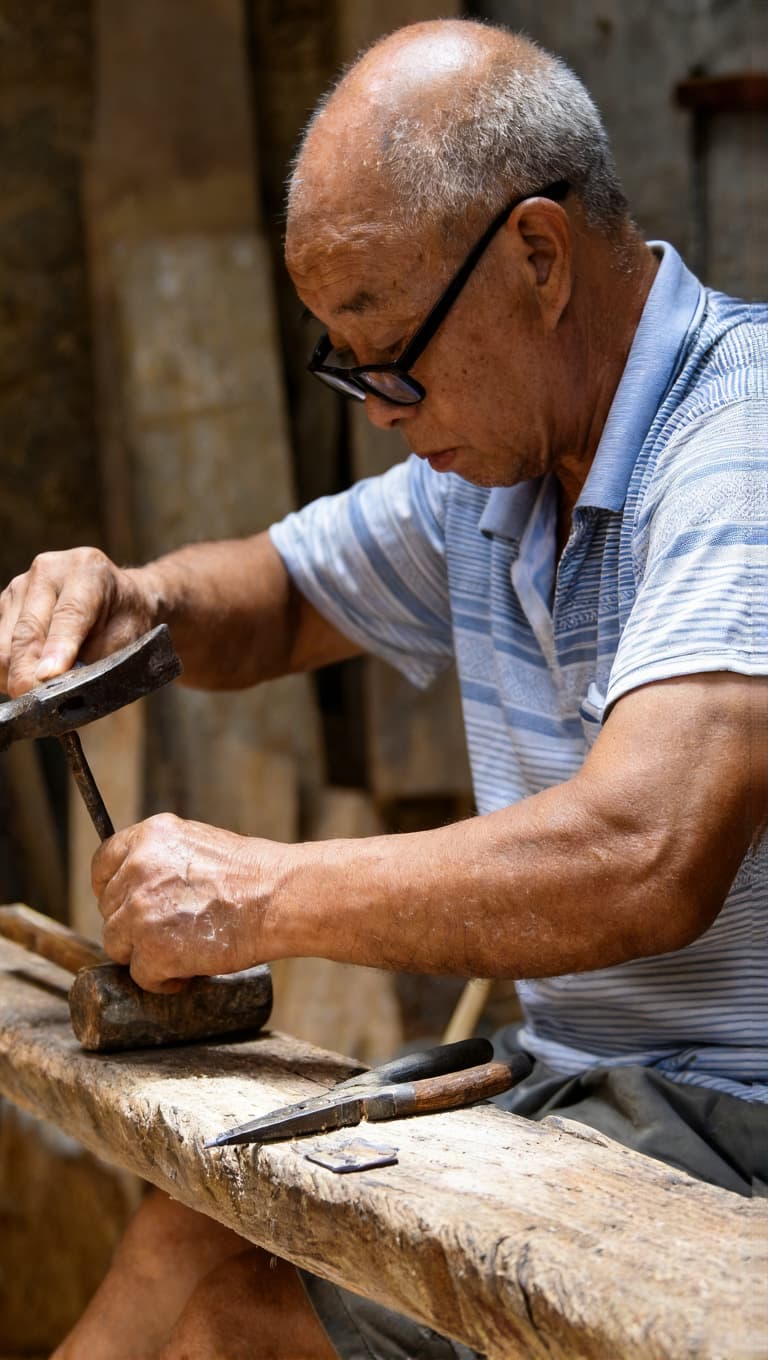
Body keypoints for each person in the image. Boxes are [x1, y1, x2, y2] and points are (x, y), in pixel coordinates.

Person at [1, 17, 765, 1360]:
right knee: (189, 1224)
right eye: (340, 359)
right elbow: (287, 594)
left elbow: (649, 854)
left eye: (387, 346)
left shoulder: (738, 445)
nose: (375, 405)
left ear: (536, 256)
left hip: (736, 1105)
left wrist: (262, 896)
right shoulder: (498, 474)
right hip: (586, 1076)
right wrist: (138, 600)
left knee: (244, 1328)